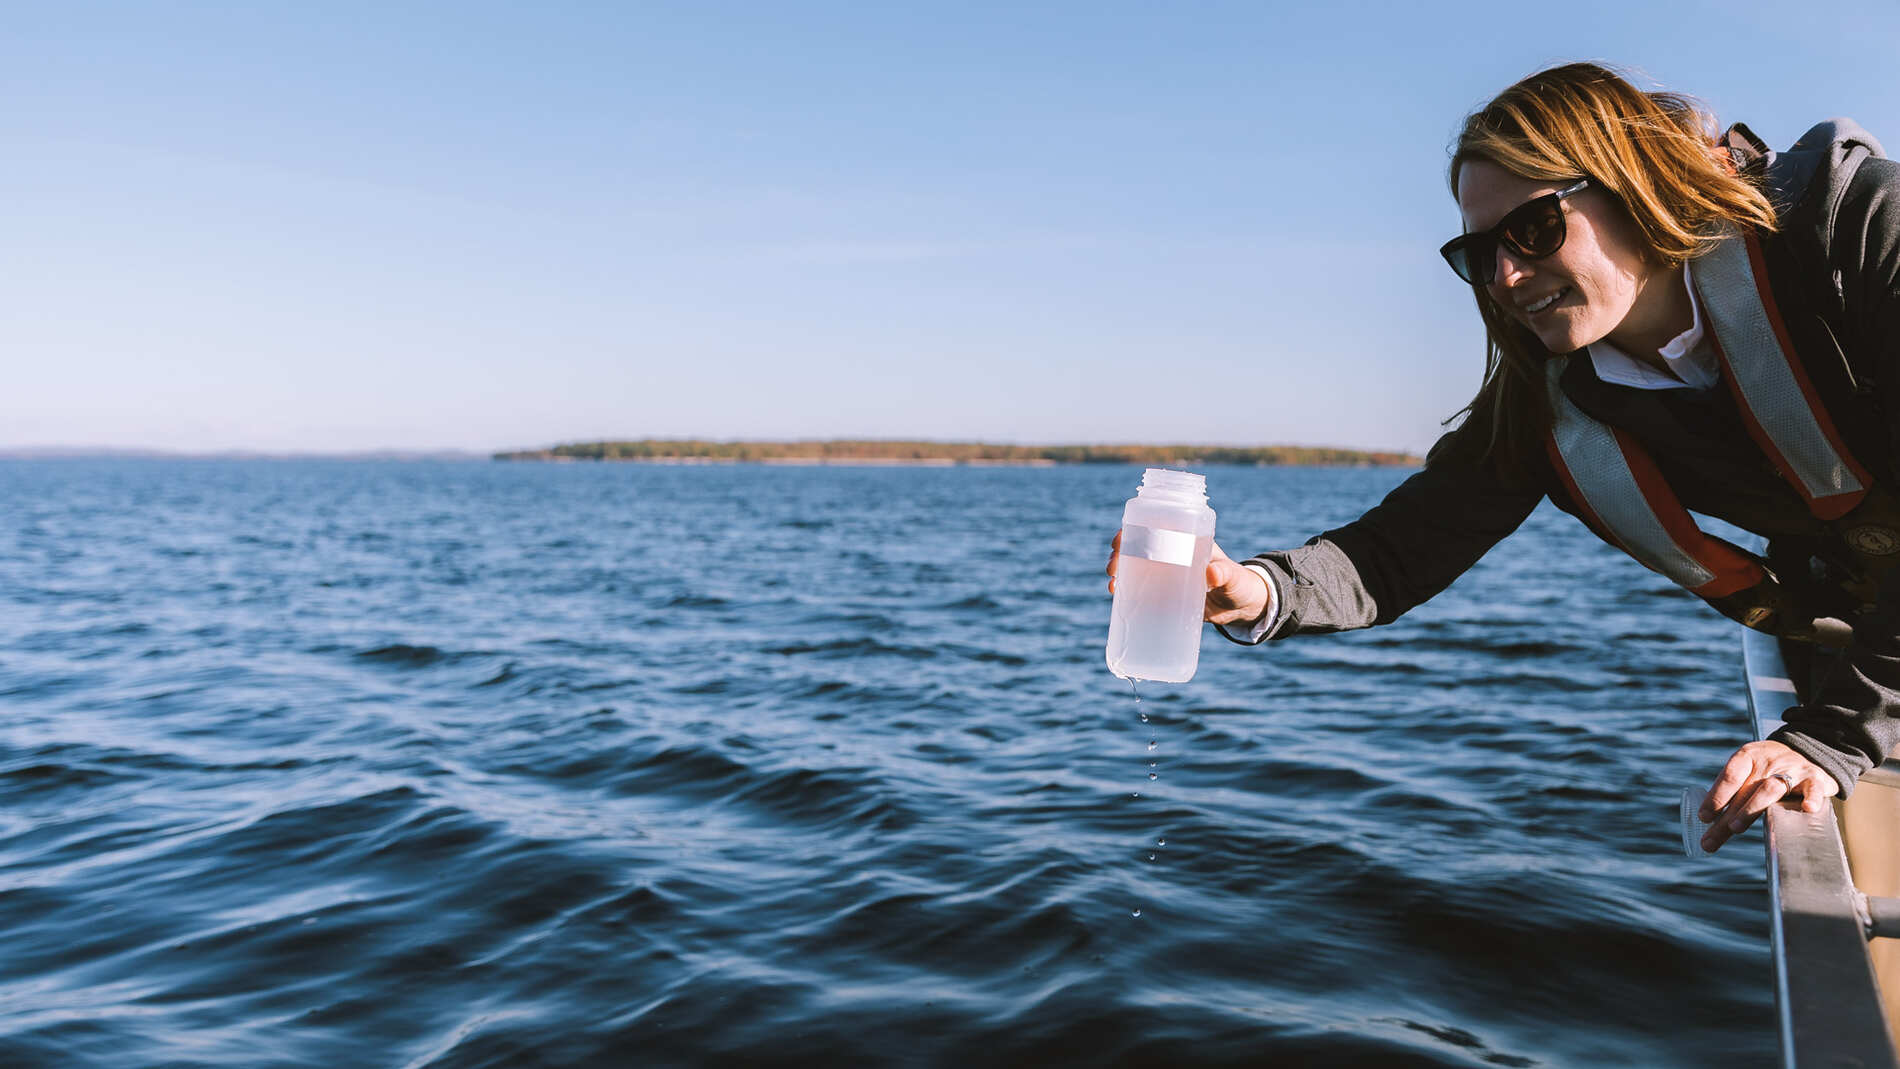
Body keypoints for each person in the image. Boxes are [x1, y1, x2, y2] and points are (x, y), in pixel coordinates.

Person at [1106, 61, 1900, 854]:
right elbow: (1394, 554)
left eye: (1533, 228)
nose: (1506, 275)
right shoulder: (1546, 403)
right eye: (1480, 253)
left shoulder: (1859, 228)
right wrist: (1254, 588)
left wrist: (1829, 739)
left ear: (1638, 181)